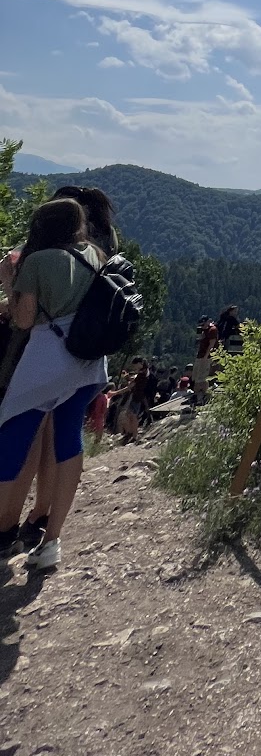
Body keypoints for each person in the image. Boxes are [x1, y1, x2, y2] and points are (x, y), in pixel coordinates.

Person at [0, 197, 110, 570]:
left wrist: (9, 283)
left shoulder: (37, 261)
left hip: (46, 362)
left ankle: (2, 533)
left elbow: (24, 320)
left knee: (13, 437)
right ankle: (52, 542)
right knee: (68, 439)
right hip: (89, 362)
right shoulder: (94, 255)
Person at [192, 319, 220, 405]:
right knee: (196, 376)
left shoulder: (212, 330)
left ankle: (201, 396)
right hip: (200, 355)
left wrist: (206, 356)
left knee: (202, 377)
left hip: (206, 356)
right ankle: (197, 395)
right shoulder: (204, 331)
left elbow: (211, 344)